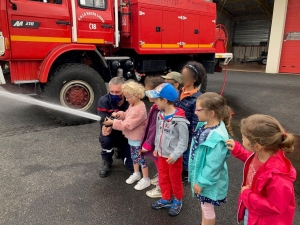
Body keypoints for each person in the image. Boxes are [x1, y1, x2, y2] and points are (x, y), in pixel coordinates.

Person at [226, 114, 296, 225]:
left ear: (258, 146)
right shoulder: (262, 155)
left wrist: (247, 195)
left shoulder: (278, 178)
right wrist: (238, 150)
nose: (242, 140)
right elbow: (251, 160)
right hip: (253, 209)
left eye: (243, 138)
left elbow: (276, 207)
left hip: (263, 219)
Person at [146, 83, 189, 217]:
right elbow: (159, 133)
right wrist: (157, 148)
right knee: (163, 177)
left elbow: (184, 141)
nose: (154, 102)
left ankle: (177, 199)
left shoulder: (180, 120)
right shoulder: (160, 115)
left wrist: (175, 155)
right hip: (161, 154)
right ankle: (166, 198)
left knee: (175, 178)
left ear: (164, 100)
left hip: (173, 157)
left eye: (157, 99)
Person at [189, 92, 232, 225]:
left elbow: (214, 165)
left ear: (212, 113)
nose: (195, 112)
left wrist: (201, 182)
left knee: (207, 208)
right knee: (204, 205)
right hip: (202, 176)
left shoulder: (217, 137)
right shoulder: (203, 125)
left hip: (208, 180)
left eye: (199, 109)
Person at [104, 80, 150, 191]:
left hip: (138, 138)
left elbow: (129, 124)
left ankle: (146, 178)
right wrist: (120, 114)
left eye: (128, 97)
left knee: (141, 158)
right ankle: (136, 173)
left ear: (137, 95)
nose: (127, 99)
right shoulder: (133, 105)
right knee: (134, 157)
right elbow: (127, 115)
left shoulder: (139, 109)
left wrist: (113, 123)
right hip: (132, 138)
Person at [175, 61, 206, 183]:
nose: (183, 78)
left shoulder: (198, 98)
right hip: (176, 131)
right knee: (177, 152)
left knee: (186, 155)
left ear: (194, 79)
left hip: (187, 134)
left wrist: (191, 140)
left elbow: (196, 122)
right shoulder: (178, 92)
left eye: (186, 76)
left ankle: (186, 174)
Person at [97, 77, 133, 178]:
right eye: (111, 91)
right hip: (111, 132)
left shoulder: (131, 101)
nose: (114, 94)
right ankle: (107, 160)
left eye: (117, 92)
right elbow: (102, 119)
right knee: (106, 139)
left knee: (133, 168)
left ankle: (121, 150)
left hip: (127, 133)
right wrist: (105, 127)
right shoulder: (103, 101)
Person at [142, 76, 165, 198]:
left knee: (161, 166)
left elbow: (154, 129)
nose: (146, 94)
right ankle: (161, 182)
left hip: (156, 144)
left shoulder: (159, 109)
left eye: (148, 91)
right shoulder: (156, 106)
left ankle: (161, 188)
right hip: (156, 143)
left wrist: (148, 143)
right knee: (159, 165)